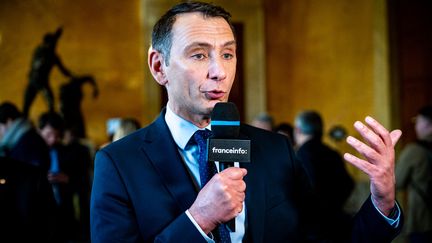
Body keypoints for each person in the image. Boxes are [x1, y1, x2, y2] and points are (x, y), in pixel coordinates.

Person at [91, 2, 403, 242]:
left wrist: (382, 201)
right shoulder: (118, 164)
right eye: (199, 55)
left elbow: (330, 237)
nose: (220, 72)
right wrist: (199, 219)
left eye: (228, 55)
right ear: (159, 66)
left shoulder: (275, 149)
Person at [294, 110, 355, 242]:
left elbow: (306, 190)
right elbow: (349, 184)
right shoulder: (332, 153)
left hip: (312, 229)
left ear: (298, 130)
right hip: (335, 225)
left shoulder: (301, 155)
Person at [38, 112, 76, 242]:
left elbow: (80, 180)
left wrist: (67, 179)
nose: (53, 139)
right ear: (39, 131)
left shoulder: (65, 151)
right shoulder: (33, 152)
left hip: (64, 208)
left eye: (56, 135)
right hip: (41, 212)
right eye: (48, 134)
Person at [396, 105, 432, 243]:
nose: (416, 125)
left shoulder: (414, 151)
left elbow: (397, 182)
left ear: (429, 126)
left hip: (422, 220)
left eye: (418, 121)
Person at [23, 27, 73, 117]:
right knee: (27, 105)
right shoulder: (40, 51)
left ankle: (51, 121)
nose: (54, 46)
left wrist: (72, 76)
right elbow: (38, 64)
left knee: (50, 103)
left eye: (55, 44)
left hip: (41, 82)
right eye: (52, 44)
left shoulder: (52, 56)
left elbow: (63, 70)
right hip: (34, 81)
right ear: (46, 43)